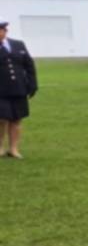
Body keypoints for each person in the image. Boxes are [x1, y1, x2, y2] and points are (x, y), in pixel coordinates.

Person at [0, 18, 37, 159]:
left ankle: (13, 149)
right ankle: (0, 148)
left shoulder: (18, 44)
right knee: (1, 118)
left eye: (2, 30)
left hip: (18, 88)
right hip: (1, 90)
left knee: (16, 119)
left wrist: (33, 84)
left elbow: (29, 65)